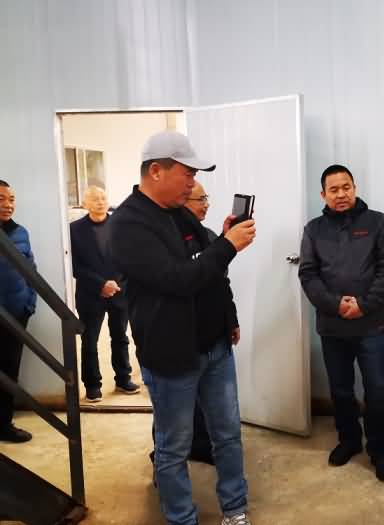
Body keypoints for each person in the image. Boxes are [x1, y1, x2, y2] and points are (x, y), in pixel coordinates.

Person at [110, 131, 256, 525]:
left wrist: (228, 316)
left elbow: (208, 269)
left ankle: (235, 509)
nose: (193, 183)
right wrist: (227, 245)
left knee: (227, 435)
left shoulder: (180, 213)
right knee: (174, 447)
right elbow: (177, 279)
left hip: (214, 348)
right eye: (187, 174)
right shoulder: (127, 225)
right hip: (172, 355)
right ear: (156, 171)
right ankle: (181, 518)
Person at [299, 164, 384, 482]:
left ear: (354, 188)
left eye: (346, 187)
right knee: (341, 389)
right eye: (334, 189)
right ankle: (349, 440)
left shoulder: (377, 222)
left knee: (377, 389)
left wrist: (363, 305)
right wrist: (335, 304)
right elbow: (308, 274)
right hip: (333, 326)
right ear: (323, 194)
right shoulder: (314, 230)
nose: (341, 194)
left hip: (370, 325)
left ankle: (379, 450)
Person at [70, 186, 139, 402]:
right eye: (94, 199)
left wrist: (116, 283)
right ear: (85, 204)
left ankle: (123, 378)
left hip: (119, 291)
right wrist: (101, 284)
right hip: (90, 294)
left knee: (120, 337)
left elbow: (130, 257)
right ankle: (92, 385)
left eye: (103, 198)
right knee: (89, 340)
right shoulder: (74, 230)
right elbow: (74, 266)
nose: (100, 202)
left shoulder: (120, 226)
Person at [0, 180, 36, 443]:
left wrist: (29, 304)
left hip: (15, 316)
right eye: (1, 199)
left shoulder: (20, 232)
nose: (8, 204)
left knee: (10, 371)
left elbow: (31, 270)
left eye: (11, 199)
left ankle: (4, 424)